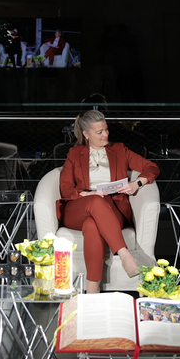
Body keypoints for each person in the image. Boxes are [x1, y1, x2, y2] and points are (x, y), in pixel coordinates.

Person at [58, 110, 159, 294]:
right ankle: (124, 254)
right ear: (86, 134)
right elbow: (66, 188)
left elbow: (151, 167)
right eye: (99, 132)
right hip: (79, 207)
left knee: (92, 225)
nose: (105, 134)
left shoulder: (119, 150)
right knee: (95, 201)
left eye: (106, 130)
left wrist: (137, 183)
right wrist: (89, 194)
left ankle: (92, 287)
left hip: (112, 209)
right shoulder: (75, 153)